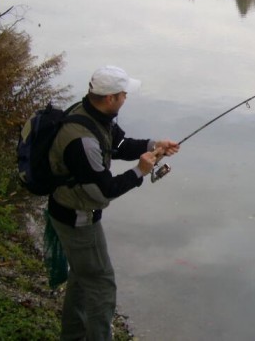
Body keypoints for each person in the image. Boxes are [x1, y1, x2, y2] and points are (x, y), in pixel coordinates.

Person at [47, 65, 179, 340]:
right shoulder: (82, 140)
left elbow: (119, 146)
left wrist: (155, 146)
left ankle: (72, 336)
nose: (126, 98)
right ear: (110, 98)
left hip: (70, 210)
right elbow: (103, 192)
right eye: (123, 94)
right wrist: (139, 172)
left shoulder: (92, 114)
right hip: (78, 219)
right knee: (101, 286)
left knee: (83, 279)